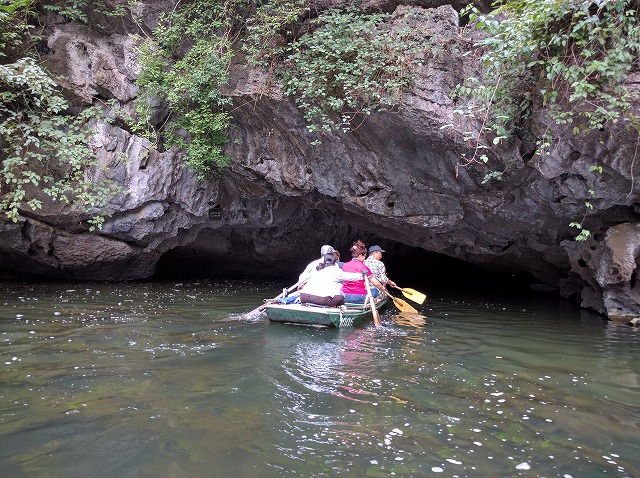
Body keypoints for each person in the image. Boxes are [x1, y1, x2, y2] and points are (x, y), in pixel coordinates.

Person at [299, 253, 364, 307]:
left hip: (303, 296)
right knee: (340, 298)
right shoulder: (335, 271)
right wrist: (362, 275)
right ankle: (334, 308)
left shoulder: (315, 269)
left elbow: (301, 281)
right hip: (321, 299)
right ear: (335, 263)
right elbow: (351, 276)